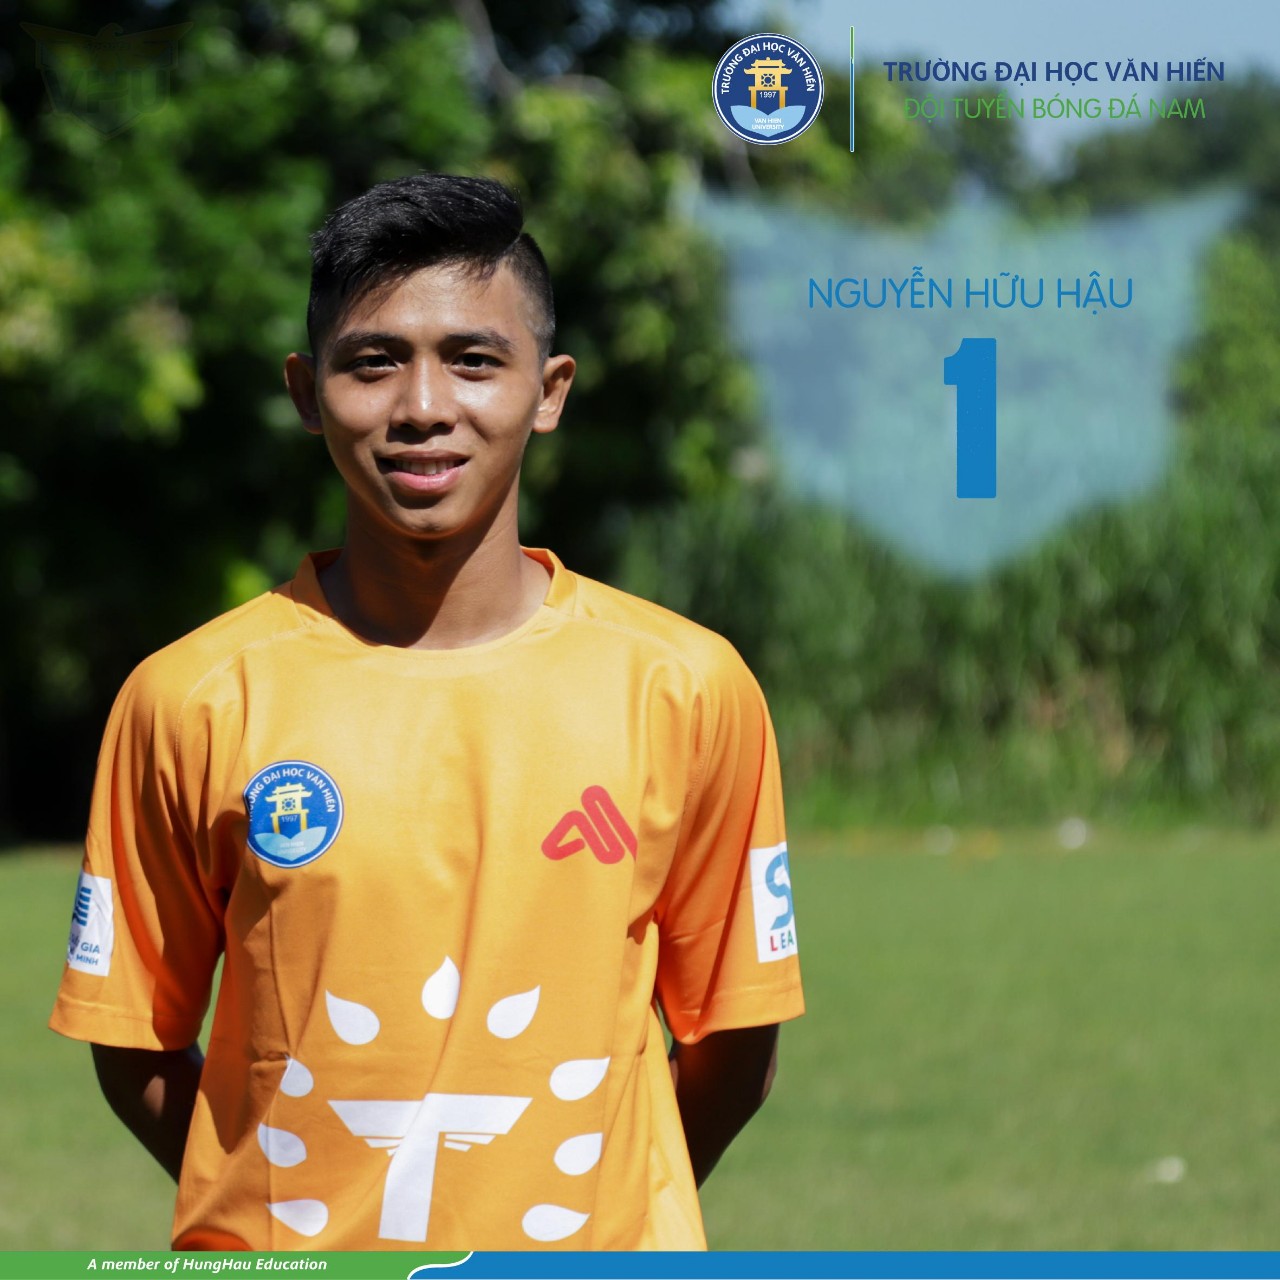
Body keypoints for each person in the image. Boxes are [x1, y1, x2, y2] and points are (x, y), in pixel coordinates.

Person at [50, 173, 803, 1251]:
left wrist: (601, 1214)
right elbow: (133, 1037)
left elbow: (735, 1037)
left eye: (473, 360)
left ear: (548, 390)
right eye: (372, 362)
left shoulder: (682, 684)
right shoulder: (190, 697)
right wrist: (280, 1218)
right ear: (307, 392)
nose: (422, 407)